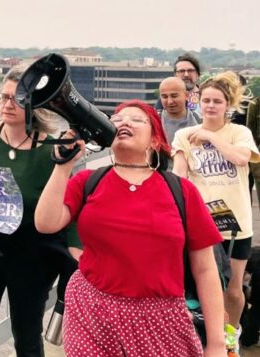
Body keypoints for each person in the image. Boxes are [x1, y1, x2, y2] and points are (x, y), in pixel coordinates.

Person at [35, 100, 226, 356]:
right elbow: (45, 223)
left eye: (137, 119)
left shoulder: (181, 191)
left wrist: (216, 343)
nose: (124, 122)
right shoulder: (89, 180)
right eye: (116, 120)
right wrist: (63, 164)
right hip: (91, 308)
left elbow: (205, 269)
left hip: (160, 318)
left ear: (156, 140)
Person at [0, 64, 79, 357]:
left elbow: (67, 203)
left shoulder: (52, 150)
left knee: (27, 336)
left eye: (15, 99)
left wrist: (76, 247)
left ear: (31, 103)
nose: (6, 105)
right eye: (2, 97)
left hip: (31, 254)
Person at [173, 71, 260, 353]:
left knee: (233, 290)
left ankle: (230, 336)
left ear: (227, 104)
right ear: (198, 101)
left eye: (217, 102)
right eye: (206, 100)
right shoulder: (184, 135)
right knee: (201, 289)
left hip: (236, 225)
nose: (210, 106)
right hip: (201, 224)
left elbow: (240, 157)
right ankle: (206, 339)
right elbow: (180, 177)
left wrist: (210, 135)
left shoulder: (239, 132)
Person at [159, 76, 201, 145]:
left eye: (174, 96)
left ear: (186, 95)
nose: (170, 101)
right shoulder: (153, 122)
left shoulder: (200, 121)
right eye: (165, 97)